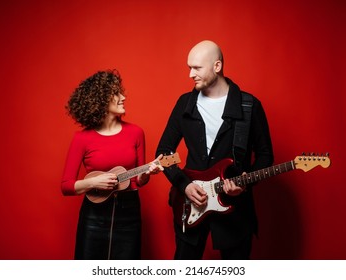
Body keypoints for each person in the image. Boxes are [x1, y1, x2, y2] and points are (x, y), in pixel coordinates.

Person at [156, 40, 274, 259]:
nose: (191, 74)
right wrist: (185, 185)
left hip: (235, 210)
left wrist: (246, 183)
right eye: (189, 67)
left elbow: (265, 155)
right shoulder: (185, 103)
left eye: (197, 68)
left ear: (217, 66)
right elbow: (164, 152)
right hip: (191, 203)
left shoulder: (249, 106)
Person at [61, 69, 163, 260]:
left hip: (129, 212)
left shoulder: (136, 133)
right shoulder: (81, 139)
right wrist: (93, 183)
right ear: (100, 99)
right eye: (116, 93)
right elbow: (66, 186)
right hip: (94, 214)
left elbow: (139, 181)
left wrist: (148, 172)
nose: (123, 97)